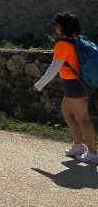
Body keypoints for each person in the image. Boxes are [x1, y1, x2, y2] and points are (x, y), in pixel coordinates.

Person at [34, 12, 97, 164]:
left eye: (55, 25)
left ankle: (93, 153)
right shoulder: (76, 40)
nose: (55, 27)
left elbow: (54, 68)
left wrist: (39, 84)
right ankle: (78, 146)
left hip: (74, 85)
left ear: (60, 27)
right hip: (74, 84)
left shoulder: (62, 44)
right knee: (67, 112)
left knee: (83, 119)